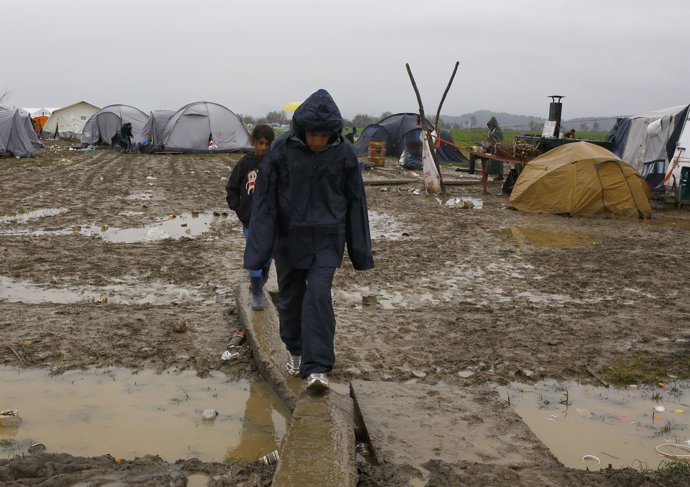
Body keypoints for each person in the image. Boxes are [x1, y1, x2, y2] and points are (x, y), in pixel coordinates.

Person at [244, 89, 374, 393]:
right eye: (313, 135)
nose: (318, 141)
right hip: (289, 239)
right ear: (303, 131)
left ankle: (317, 369)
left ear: (332, 133)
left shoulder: (343, 153)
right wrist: (260, 249)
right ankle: (295, 350)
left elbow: (356, 201)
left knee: (318, 295)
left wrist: (360, 251)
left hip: (327, 239)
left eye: (324, 135)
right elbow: (265, 201)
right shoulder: (281, 150)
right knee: (290, 299)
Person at [226, 124, 275, 310]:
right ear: (254, 141)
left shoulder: (274, 163)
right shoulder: (245, 163)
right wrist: (240, 209)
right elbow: (231, 188)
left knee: (267, 258)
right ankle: (256, 294)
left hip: (271, 222)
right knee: (255, 255)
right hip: (251, 221)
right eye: (260, 143)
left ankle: (261, 281)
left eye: (267, 144)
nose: (263, 147)